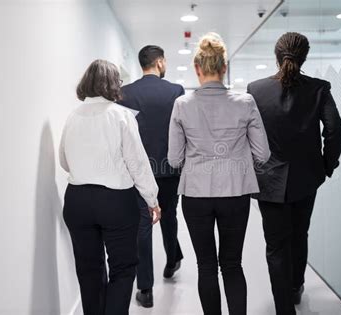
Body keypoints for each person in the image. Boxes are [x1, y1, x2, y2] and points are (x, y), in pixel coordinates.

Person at [168, 32, 271, 315]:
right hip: (235, 193)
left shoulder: (182, 105)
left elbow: (174, 159)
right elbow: (263, 154)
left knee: (206, 266)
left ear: (197, 69)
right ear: (224, 68)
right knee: (232, 264)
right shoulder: (246, 101)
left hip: (196, 195)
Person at [247, 32, 341, 315]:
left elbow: (246, 135)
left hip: (268, 180)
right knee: (300, 234)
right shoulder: (318, 89)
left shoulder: (255, 90)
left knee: (276, 245)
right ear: (304, 57)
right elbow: (335, 130)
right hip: (306, 177)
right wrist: (327, 165)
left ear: (276, 56)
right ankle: (296, 286)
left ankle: (284, 308)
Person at [59, 59, 161, 315]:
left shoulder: (73, 116)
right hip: (116, 202)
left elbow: (64, 161)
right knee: (124, 267)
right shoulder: (121, 116)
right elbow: (137, 163)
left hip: (77, 201)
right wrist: (152, 199)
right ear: (114, 84)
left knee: (88, 269)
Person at [118, 45, 185, 308]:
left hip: (138, 172)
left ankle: (145, 289)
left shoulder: (125, 94)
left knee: (142, 227)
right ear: (159, 62)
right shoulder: (175, 91)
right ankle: (172, 260)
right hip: (169, 168)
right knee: (169, 217)